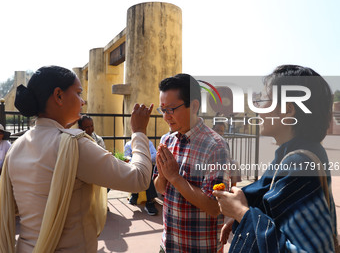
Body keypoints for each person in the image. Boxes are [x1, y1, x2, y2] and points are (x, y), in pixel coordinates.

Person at [0, 65, 153, 253]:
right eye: (79, 93)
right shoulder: (73, 145)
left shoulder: (16, 147)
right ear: (59, 96)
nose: (83, 101)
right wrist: (138, 132)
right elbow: (140, 178)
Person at [213, 65, 338, 252]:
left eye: (264, 100)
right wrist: (243, 214)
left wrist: (242, 213)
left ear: (288, 110)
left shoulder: (299, 163)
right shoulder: (302, 153)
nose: (258, 108)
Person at [154, 73, 230, 252]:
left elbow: (215, 207)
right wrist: (164, 176)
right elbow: (159, 187)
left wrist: (175, 177)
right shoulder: (167, 140)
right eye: (163, 110)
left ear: (194, 105)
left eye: (171, 109)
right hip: (168, 244)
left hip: (199, 247)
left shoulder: (215, 146)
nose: (166, 116)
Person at [124, 140, 159, 215]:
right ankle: (135, 195)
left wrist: (145, 159)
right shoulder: (129, 144)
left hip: (146, 165)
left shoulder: (148, 143)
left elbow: (155, 154)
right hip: (134, 166)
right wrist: (137, 160)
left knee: (148, 172)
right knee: (137, 171)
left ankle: (149, 201)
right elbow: (126, 157)